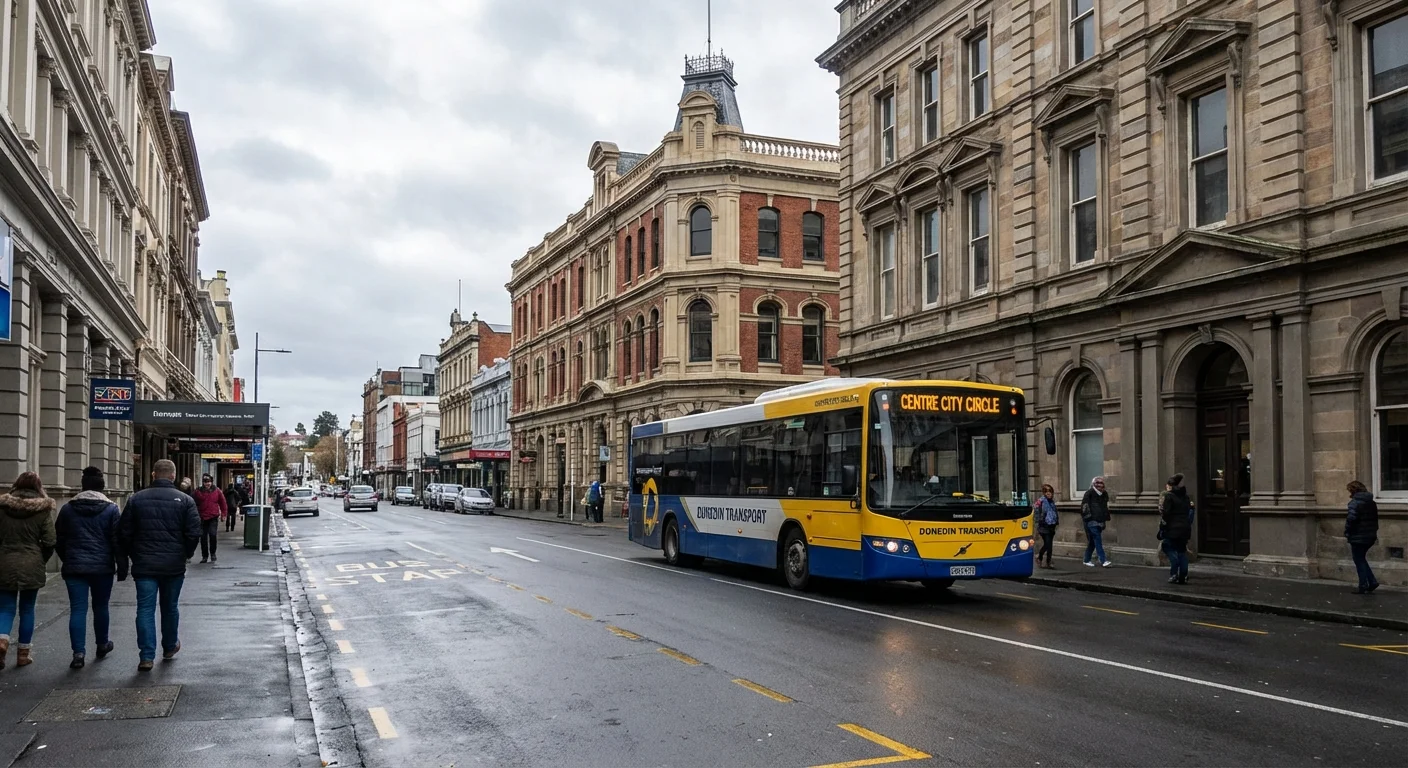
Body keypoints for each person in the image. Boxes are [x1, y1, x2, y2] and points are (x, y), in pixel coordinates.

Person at [119, 459, 200, 671]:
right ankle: (170, 646)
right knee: (170, 607)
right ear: (173, 476)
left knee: (145, 609)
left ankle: (146, 656)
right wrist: (186, 554)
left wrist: (133, 555)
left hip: (144, 563)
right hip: (173, 564)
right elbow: (193, 532)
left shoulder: (136, 499)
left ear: (153, 475)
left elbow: (124, 532)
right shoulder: (185, 501)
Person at [55, 467, 124, 668]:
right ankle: (102, 644)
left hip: (74, 567)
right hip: (102, 567)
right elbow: (116, 540)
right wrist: (121, 565)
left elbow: (59, 538)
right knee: (101, 606)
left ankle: (78, 653)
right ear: (102, 487)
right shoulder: (111, 509)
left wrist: (67, 557)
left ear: (83, 485)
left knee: (78, 608)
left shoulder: (68, 509)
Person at [0, 472, 57, 669]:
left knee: (6, 608)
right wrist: (41, 558)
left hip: (5, 562)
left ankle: (2, 640)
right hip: (32, 562)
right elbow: (50, 540)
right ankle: (23, 654)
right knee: (27, 609)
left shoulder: (2, 507)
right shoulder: (42, 510)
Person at [1345, 480, 1380, 594]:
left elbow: (1351, 519)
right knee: (1361, 559)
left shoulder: (1354, 503)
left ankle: (1363, 585)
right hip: (1370, 535)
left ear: (1353, 490)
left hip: (1358, 536)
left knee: (1359, 560)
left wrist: (1347, 532)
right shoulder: (1372, 502)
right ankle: (1372, 581)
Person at [1158, 474, 1193, 585]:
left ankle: (1174, 573)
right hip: (1185, 528)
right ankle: (1182, 576)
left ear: (1172, 486)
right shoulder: (1186, 497)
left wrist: (1163, 526)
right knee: (1182, 551)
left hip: (1172, 528)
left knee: (1167, 547)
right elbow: (1189, 511)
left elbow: (1166, 514)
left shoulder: (1169, 496)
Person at [192, 475, 227, 564]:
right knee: (203, 538)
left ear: (211, 482)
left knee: (212, 535)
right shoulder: (198, 492)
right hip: (202, 517)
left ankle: (213, 553)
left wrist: (223, 514)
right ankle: (205, 556)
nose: (207, 484)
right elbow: (192, 502)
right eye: (205, 482)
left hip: (213, 517)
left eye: (208, 482)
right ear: (203, 483)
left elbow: (223, 503)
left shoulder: (217, 491)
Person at [1080, 476, 1112, 567]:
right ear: (1093, 484)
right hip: (1091, 521)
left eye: (1101, 483)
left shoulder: (1104, 494)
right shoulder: (1089, 493)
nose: (1100, 486)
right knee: (1097, 539)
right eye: (1098, 483)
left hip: (1100, 520)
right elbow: (1084, 507)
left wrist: (1105, 519)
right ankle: (1103, 560)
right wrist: (1088, 519)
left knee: (1093, 542)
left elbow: (1105, 507)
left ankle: (1086, 559)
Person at [1033, 484, 1059, 569]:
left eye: (1050, 491)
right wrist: (1040, 522)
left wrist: (1056, 522)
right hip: (1044, 526)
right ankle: (1042, 558)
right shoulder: (1041, 501)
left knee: (1049, 545)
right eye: (1046, 491)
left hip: (1051, 525)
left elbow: (1054, 512)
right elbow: (1036, 513)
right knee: (1047, 544)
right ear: (1044, 493)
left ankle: (1046, 560)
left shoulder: (1052, 502)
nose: (1049, 493)